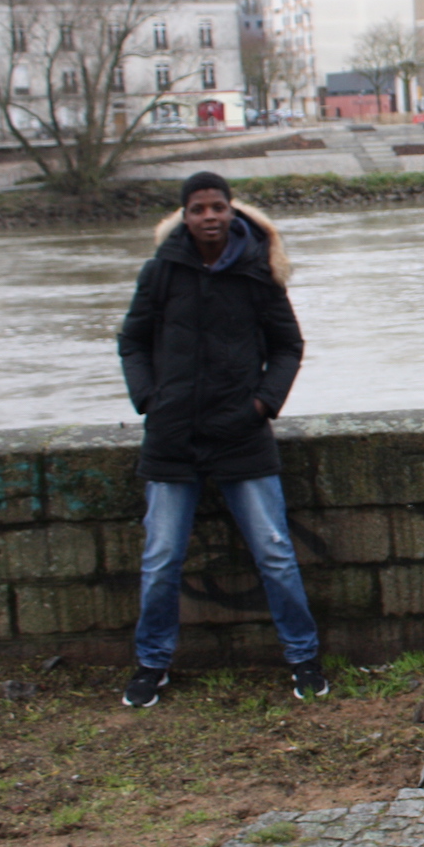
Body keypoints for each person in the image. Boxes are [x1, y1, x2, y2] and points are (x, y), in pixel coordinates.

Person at [115, 172, 325, 707]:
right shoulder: (161, 272)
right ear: (184, 217)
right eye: (198, 209)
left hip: (241, 436)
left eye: (217, 207)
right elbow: (132, 341)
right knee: (161, 557)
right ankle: (151, 665)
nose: (208, 216)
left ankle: (303, 657)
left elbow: (287, 347)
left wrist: (261, 404)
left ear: (231, 212)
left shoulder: (258, 274)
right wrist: (148, 399)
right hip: (171, 436)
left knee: (275, 552)